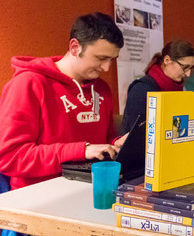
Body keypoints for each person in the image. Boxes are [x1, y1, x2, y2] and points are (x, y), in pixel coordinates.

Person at [0, 12, 127, 191]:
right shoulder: (28, 84)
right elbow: (10, 157)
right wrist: (81, 150)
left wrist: (117, 144)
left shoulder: (102, 89)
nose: (106, 68)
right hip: (38, 196)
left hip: (91, 189)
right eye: (101, 58)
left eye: (111, 60)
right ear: (75, 47)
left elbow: (101, 141)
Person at [121, 40, 194, 139]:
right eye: (185, 67)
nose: (187, 74)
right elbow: (139, 137)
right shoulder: (141, 90)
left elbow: (176, 130)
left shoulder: (178, 88)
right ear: (167, 60)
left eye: (191, 68)